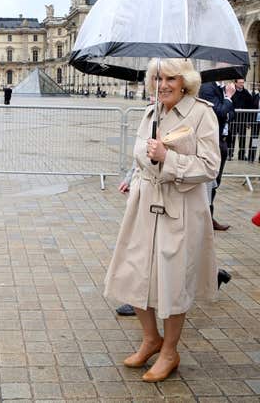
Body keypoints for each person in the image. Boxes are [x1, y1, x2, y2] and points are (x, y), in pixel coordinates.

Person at [104, 58, 220, 383]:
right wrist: (143, 162)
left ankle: (169, 351)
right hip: (145, 203)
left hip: (180, 207)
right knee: (136, 272)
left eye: (170, 78)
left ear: (185, 81)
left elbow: (210, 166)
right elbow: (140, 153)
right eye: (157, 78)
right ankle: (150, 339)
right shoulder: (150, 111)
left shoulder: (201, 112)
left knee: (173, 280)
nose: (163, 84)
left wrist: (168, 158)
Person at [199, 80, 235, 231]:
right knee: (210, 181)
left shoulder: (222, 89)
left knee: (216, 182)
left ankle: (209, 217)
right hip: (213, 142)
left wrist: (227, 102)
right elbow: (219, 112)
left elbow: (230, 113)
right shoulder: (208, 88)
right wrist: (228, 97)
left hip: (223, 140)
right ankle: (205, 218)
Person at [230, 79, 254, 160]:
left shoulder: (246, 93)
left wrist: (248, 121)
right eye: (240, 82)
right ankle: (230, 154)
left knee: (242, 138)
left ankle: (241, 155)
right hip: (233, 119)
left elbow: (251, 106)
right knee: (231, 137)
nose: (242, 84)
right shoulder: (231, 91)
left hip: (242, 120)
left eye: (243, 83)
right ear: (235, 83)